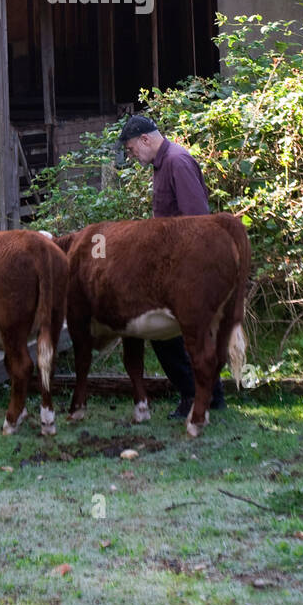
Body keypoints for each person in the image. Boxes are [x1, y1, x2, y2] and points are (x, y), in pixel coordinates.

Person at [118, 114, 225, 417]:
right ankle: (212, 397)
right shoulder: (162, 163)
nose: (131, 155)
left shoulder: (177, 162)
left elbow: (197, 222)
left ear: (145, 140)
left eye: (131, 149)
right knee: (190, 333)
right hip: (172, 264)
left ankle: (193, 394)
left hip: (185, 266)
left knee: (163, 334)